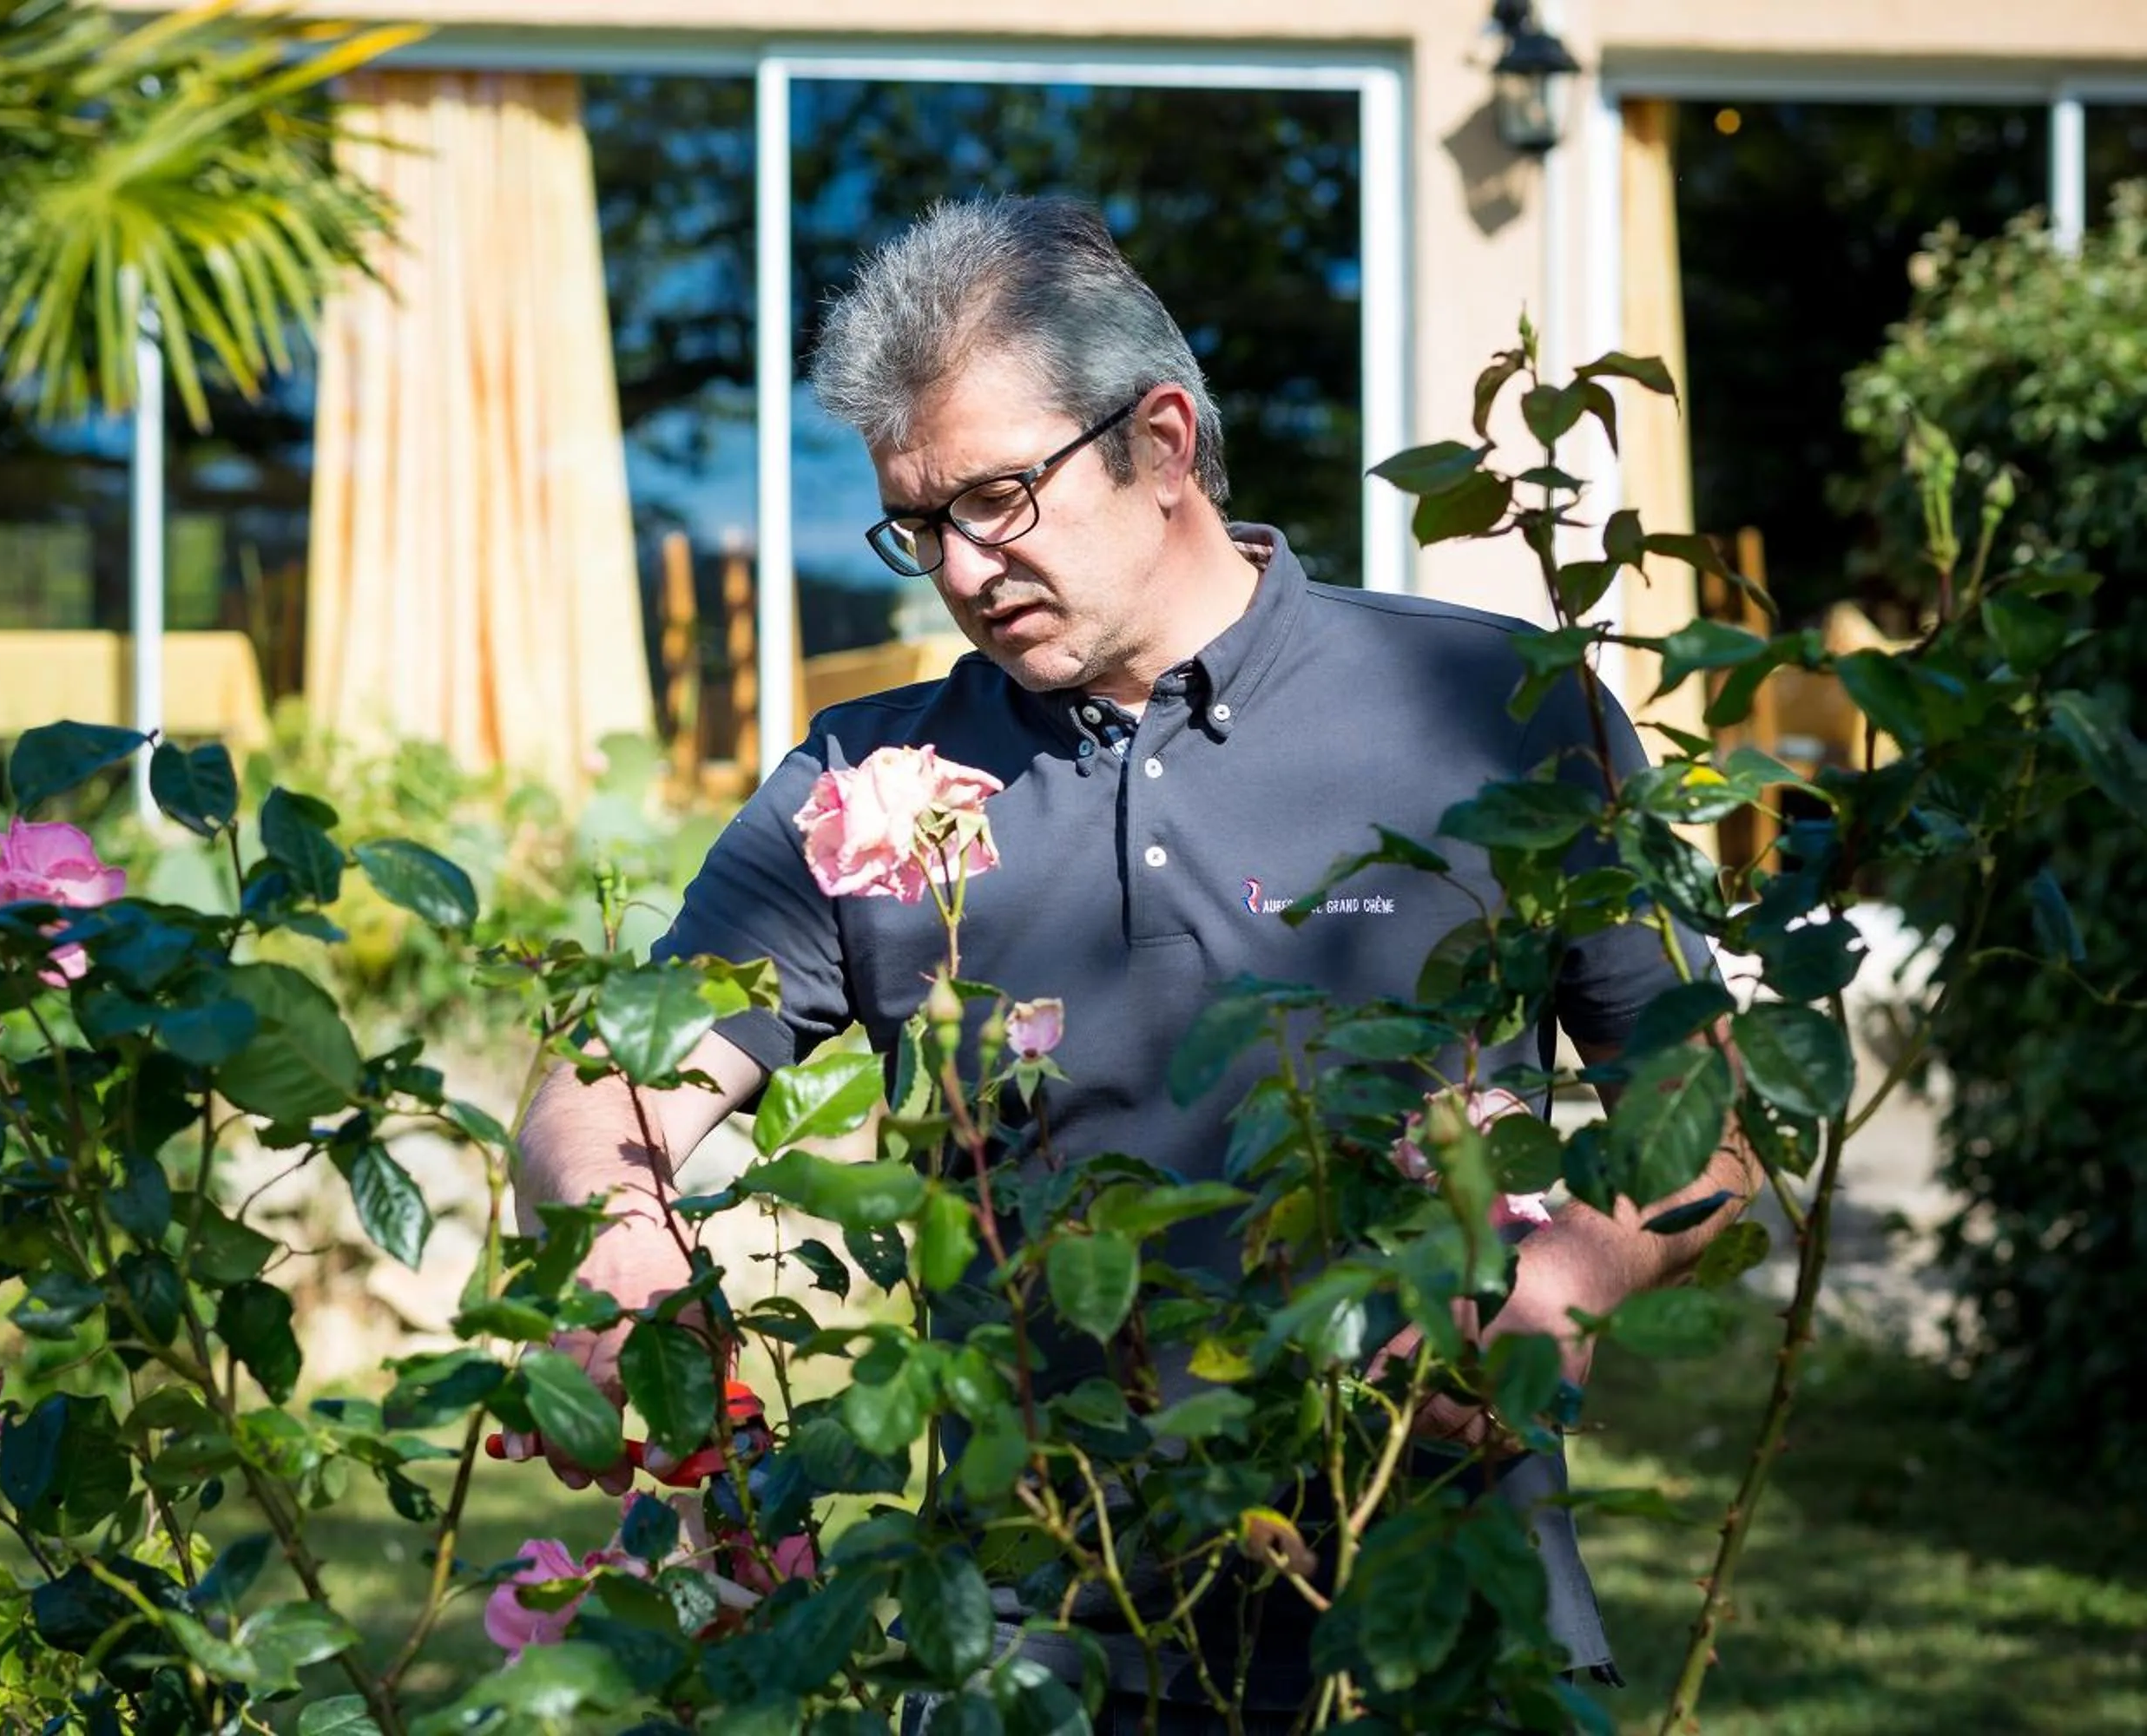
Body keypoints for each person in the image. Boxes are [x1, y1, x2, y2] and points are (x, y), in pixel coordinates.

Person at [514, 194, 1748, 1726]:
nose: (961, 572)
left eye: (996, 500)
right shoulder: (869, 783)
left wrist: (1561, 1281)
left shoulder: (1488, 705)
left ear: (1162, 443)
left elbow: (1704, 1115)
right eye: (919, 527)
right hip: (1031, 1641)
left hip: (1438, 1608)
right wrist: (620, 1239)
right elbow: (606, 1088)